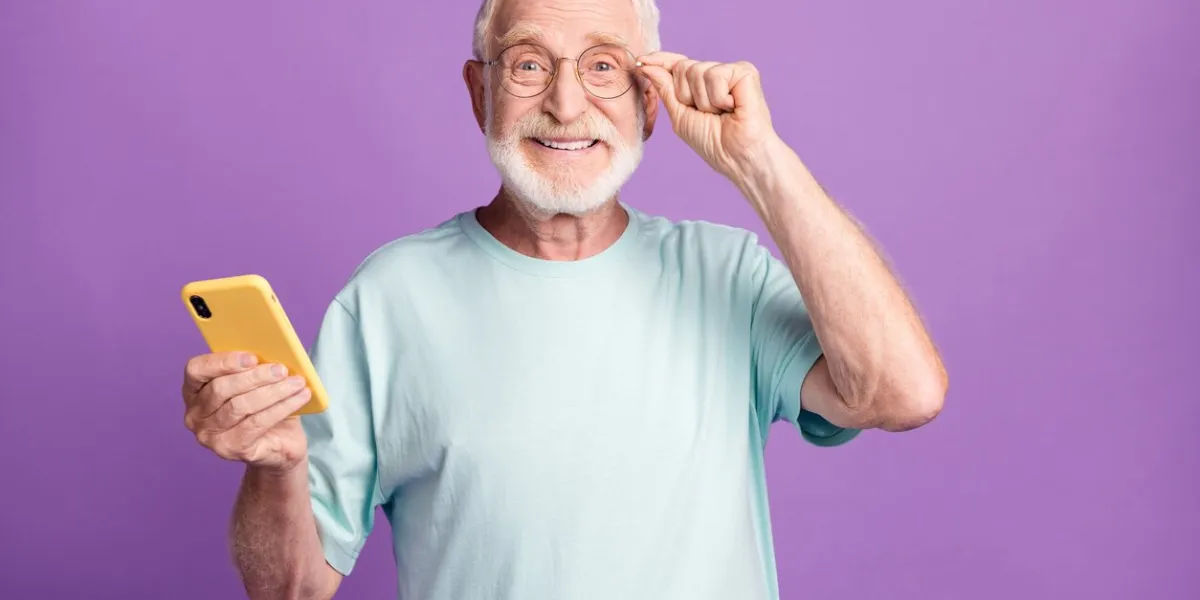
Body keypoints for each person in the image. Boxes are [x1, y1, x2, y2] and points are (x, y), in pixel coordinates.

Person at [179, 0, 948, 598]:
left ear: (651, 101)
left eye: (604, 66)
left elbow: (903, 393)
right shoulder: (387, 298)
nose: (567, 104)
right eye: (527, 66)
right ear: (480, 92)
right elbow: (288, 587)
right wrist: (276, 467)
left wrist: (760, 161)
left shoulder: (727, 274)